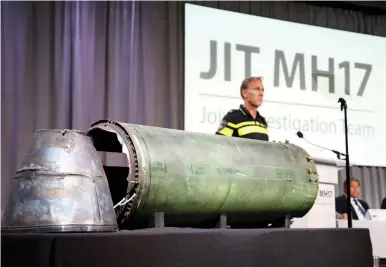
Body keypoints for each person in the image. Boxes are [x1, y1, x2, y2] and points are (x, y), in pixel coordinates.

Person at [216, 76, 269, 141]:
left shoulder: (262, 122)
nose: (261, 93)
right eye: (256, 89)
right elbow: (219, 145)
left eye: (262, 90)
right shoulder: (232, 118)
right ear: (244, 93)